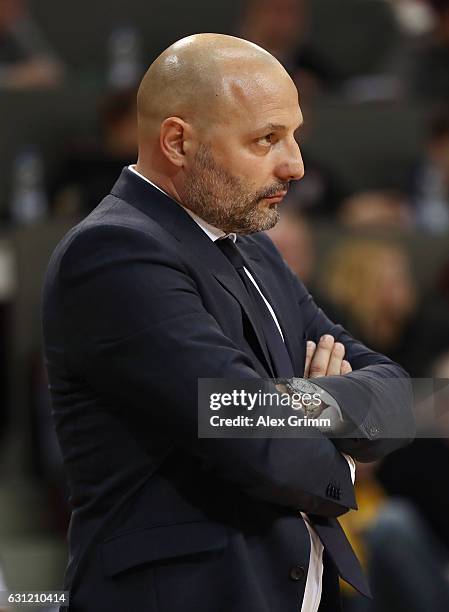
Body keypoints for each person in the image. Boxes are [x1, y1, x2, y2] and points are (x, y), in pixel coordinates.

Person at [41, 34, 413, 612]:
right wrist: (335, 423)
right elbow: (244, 429)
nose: (295, 164)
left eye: (294, 135)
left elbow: (399, 397)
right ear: (178, 142)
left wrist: (299, 399)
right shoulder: (114, 252)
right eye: (267, 139)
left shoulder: (253, 248)